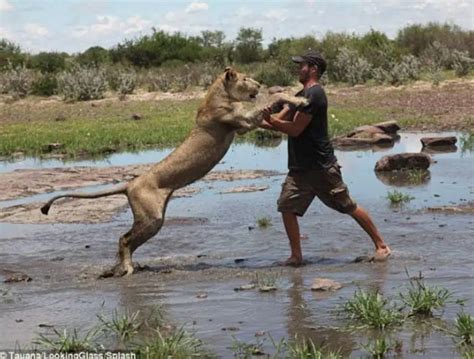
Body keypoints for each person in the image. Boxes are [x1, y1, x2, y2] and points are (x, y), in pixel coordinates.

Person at [260, 51, 391, 266]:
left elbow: (294, 129)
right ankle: (296, 257)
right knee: (286, 207)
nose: (297, 68)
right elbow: (276, 121)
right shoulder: (299, 95)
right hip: (300, 168)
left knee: (347, 205)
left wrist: (270, 121)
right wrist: (248, 122)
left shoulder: (315, 95)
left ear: (313, 69)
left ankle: (381, 245)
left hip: (320, 167)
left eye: (301, 65)